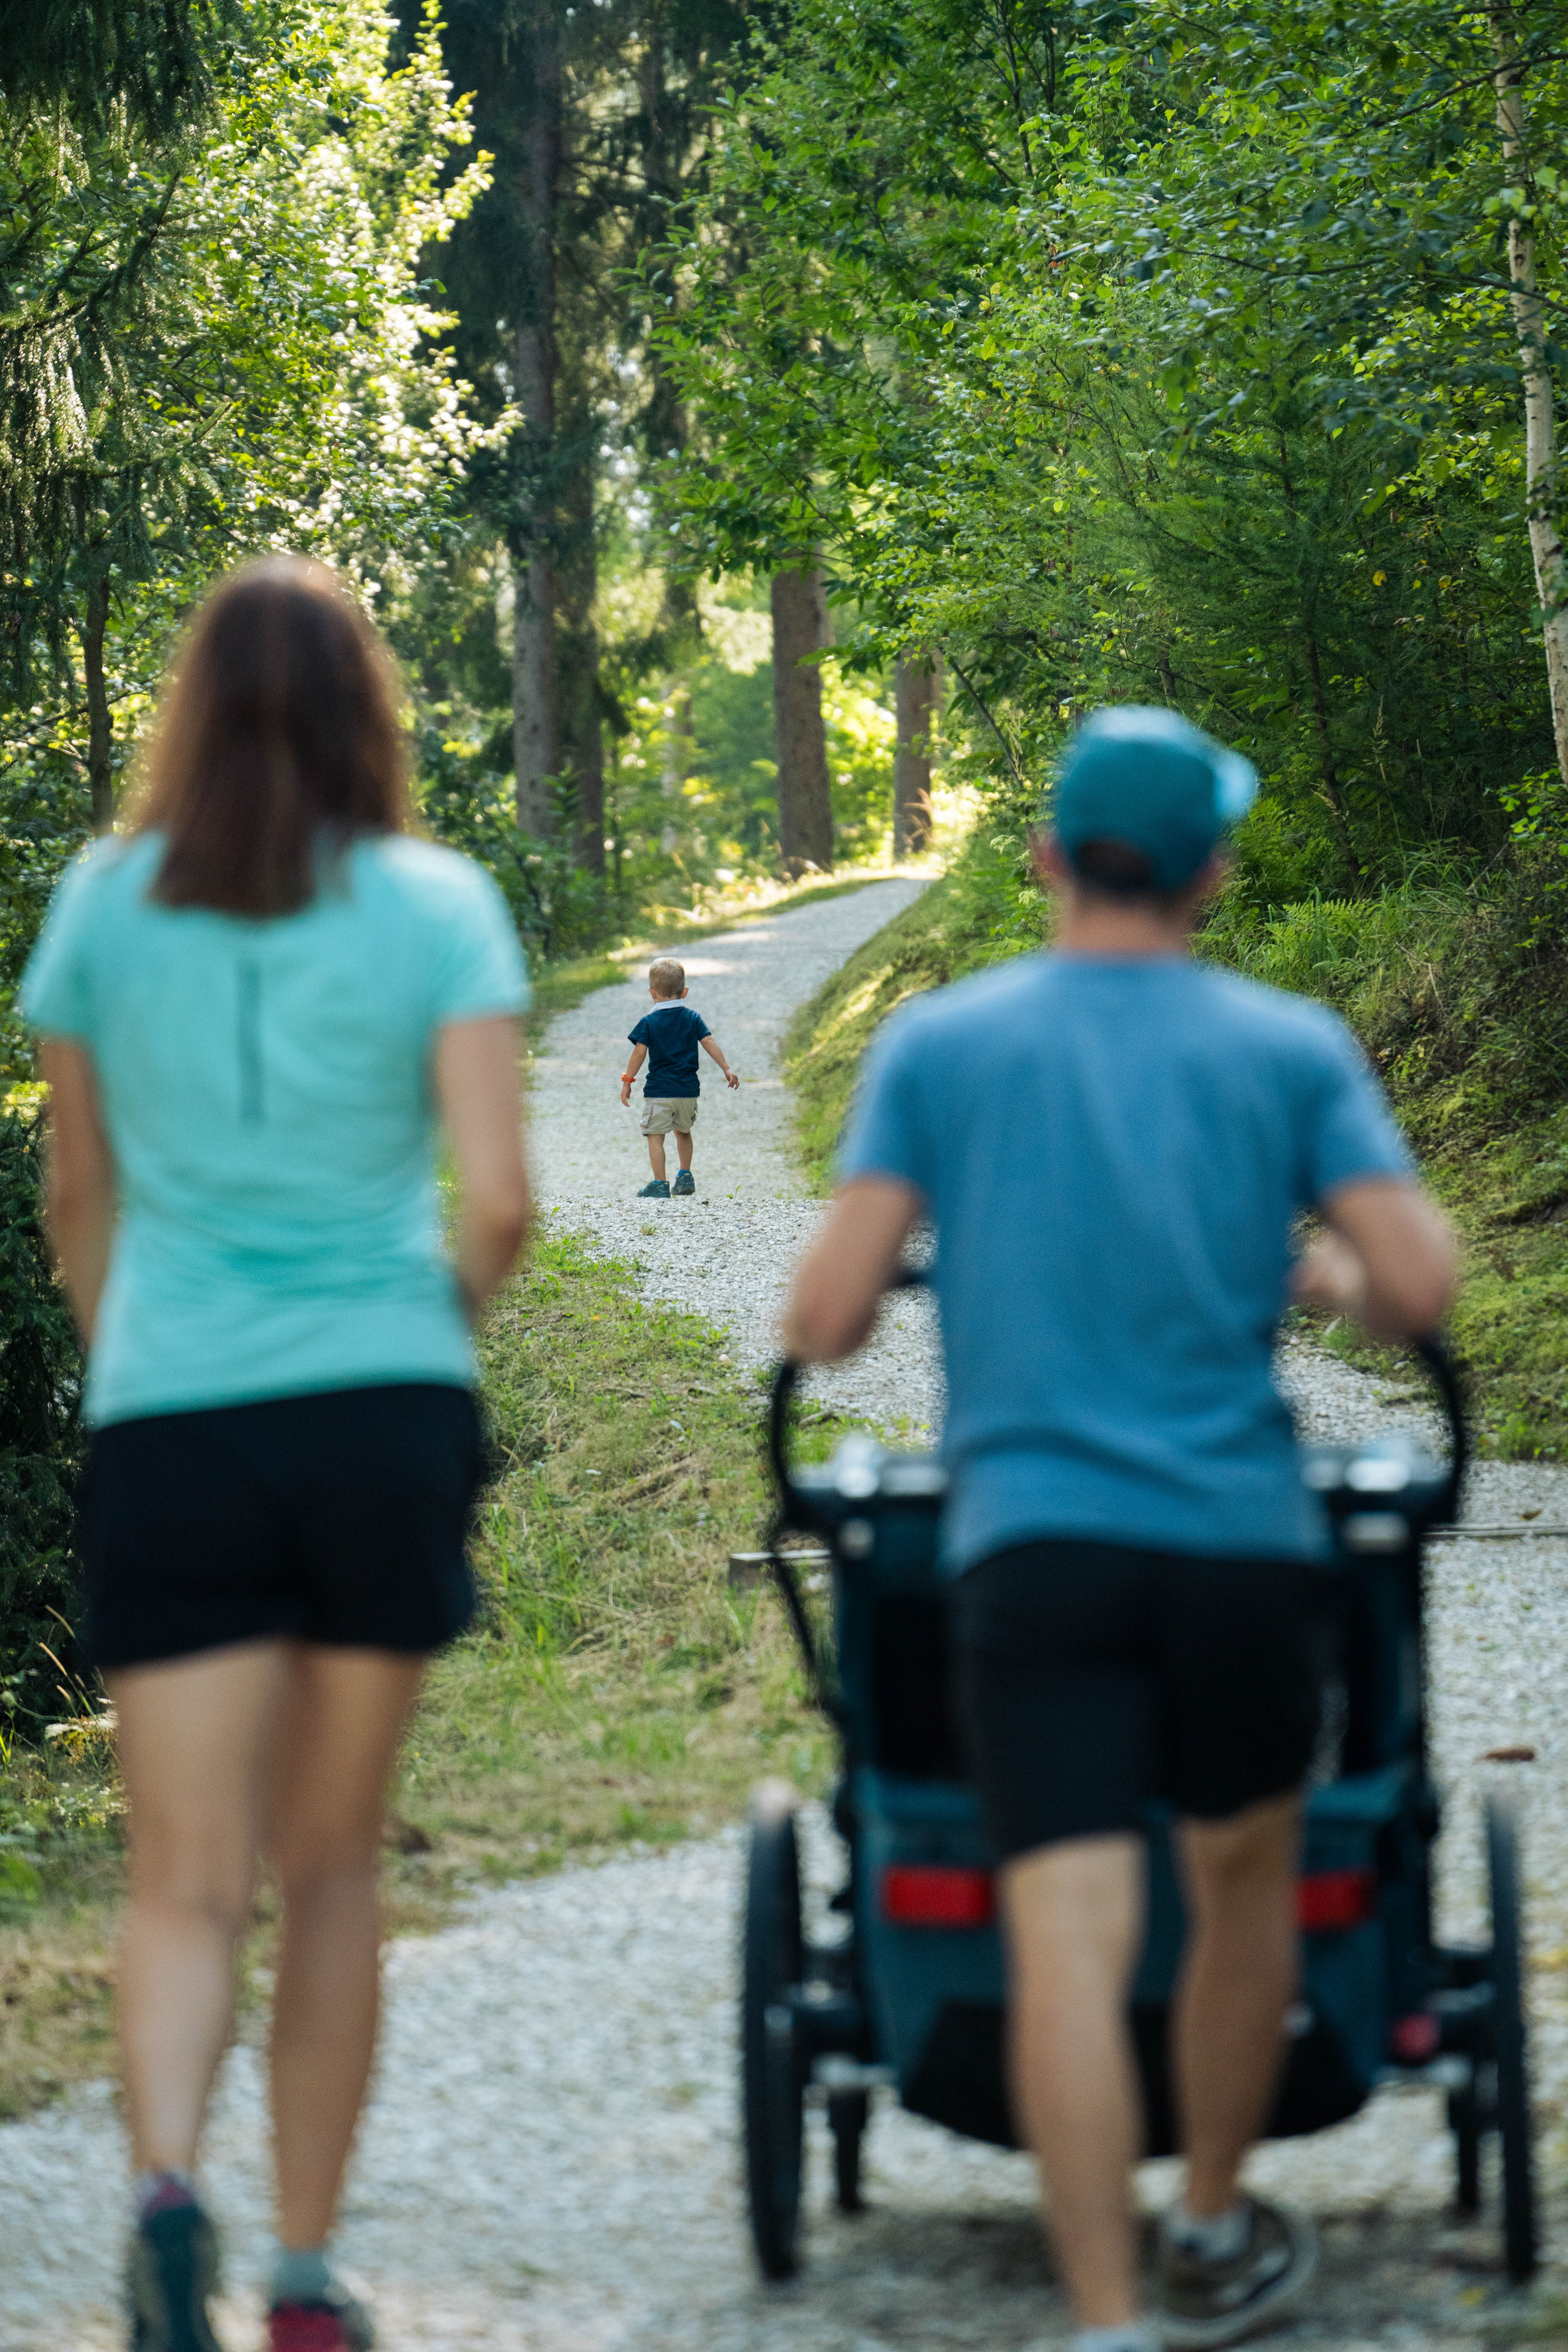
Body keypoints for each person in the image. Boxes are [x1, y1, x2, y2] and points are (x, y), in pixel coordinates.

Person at [782, 706, 1458, 2352]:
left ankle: (1103, 2321)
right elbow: (1423, 1290)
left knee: (1066, 1943)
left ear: (1043, 860)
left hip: (1033, 1557)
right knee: (1239, 1897)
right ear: (1210, 874)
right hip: (1239, 1549)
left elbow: (821, 1318)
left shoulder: (942, 1048)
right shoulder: (1285, 1045)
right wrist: (1328, 1278)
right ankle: (1211, 2226)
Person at [22, 556, 533, 2352]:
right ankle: (306, 2285)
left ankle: (168, 2191)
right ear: (365, 709)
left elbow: (76, 1195)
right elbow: (505, 1201)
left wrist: (135, 1361)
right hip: (382, 1409)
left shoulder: (100, 903)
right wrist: (420, 1348)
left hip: (173, 1417)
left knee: (183, 1878)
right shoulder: (438, 904)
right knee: (328, 1868)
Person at [620, 954, 739, 1197]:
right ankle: (685, 1175)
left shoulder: (649, 1022)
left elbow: (639, 1053)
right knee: (683, 1131)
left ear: (652, 993)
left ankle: (660, 1183)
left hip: (660, 1092)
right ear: (684, 992)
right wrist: (726, 1068)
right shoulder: (693, 1018)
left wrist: (628, 1081)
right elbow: (709, 1041)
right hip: (687, 1091)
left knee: (655, 1135)